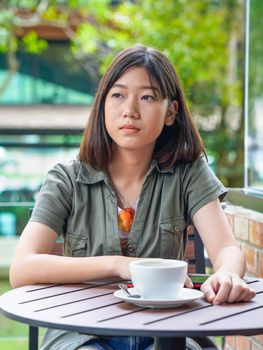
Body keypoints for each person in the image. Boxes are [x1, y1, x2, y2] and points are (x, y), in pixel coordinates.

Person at [10, 45, 256, 350]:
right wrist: (121, 264)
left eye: (147, 97)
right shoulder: (66, 179)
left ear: (171, 112)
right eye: (118, 95)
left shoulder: (188, 173)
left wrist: (229, 274)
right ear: (102, 106)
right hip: (82, 332)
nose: (130, 109)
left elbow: (227, 250)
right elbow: (22, 268)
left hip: (169, 330)